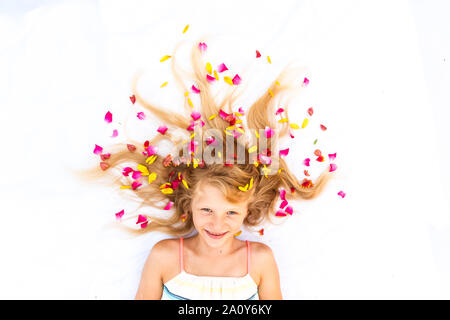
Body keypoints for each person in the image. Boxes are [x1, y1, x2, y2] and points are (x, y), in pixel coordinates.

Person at [78, 35, 334, 300]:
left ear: (248, 209)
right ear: (189, 203)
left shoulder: (260, 261)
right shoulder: (163, 257)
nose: (217, 223)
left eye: (232, 212)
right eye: (207, 209)